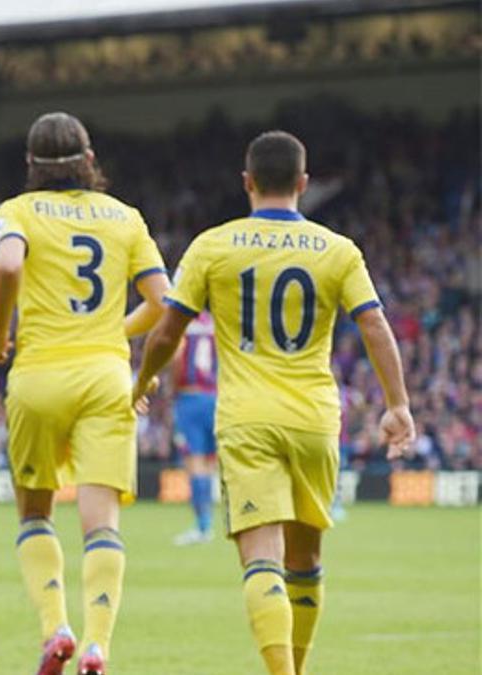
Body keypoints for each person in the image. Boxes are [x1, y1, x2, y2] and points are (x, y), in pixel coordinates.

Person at [132, 130, 415, 675]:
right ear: (304, 184)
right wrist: (397, 403)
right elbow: (375, 324)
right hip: (314, 420)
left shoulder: (213, 245)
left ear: (248, 182)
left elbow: (168, 331)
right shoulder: (339, 250)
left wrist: (144, 377)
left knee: (262, 561)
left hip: (247, 420)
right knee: (305, 562)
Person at [0, 112, 169, 675]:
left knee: (35, 513)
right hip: (106, 379)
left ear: (30, 166)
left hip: (38, 377)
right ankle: (97, 646)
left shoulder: (16, 210)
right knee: (102, 523)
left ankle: (54, 627)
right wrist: (116, 330)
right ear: (90, 162)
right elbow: (165, 301)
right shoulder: (125, 218)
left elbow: (9, 263)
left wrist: (0, 328)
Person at [171, 311, 218, 546]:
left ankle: (202, 526)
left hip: (190, 398)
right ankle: (206, 525)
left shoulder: (184, 323)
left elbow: (177, 358)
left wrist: (172, 390)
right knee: (209, 464)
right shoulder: (215, 324)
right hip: (216, 397)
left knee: (195, 463)